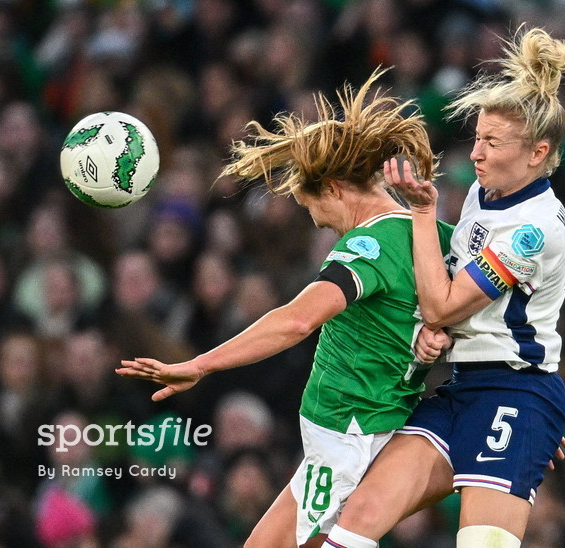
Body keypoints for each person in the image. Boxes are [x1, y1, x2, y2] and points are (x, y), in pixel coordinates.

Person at [115, 69, 454, 548]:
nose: (318, 224)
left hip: (348, 431)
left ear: (334, 187)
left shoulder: (367, 247)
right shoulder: (436, 237)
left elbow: (296, 319)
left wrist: (200, 363)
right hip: (357, 430)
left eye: (313, 207)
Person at [324, 26, 565, 548]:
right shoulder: (487, 195)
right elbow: (452, 297)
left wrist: (421, 211)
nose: (476, 153)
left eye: (492, 142)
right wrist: (436, 335)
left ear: (537, 152)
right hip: (463, 388)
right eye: (477, 138)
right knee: (359, 513)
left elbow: (440, 302)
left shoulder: (534, 230)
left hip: (515, 393)